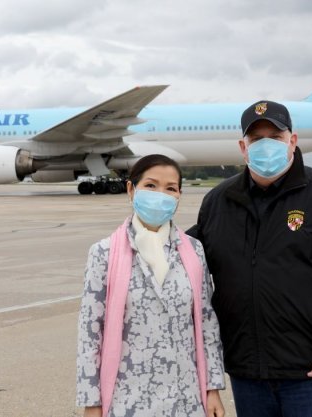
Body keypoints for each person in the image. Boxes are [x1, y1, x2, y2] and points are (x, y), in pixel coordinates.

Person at [187, 101, 312, 417]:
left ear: (292, 141)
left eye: (275, 137)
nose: (266, 144)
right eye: (256, 139)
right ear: (243, 147)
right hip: (248, 377)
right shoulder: (218, 203)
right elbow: (184, 260)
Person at [76, 154, 226, 417]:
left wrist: (212, 388)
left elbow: (206, 321)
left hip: (186, 398)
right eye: (151, 185)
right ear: (131, 189)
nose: (160, 194)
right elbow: (90, 334)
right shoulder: (103, 253)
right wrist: (92, 403)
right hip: (128, 400)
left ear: (179, 195)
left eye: (170, 188)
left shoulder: (193, 250)